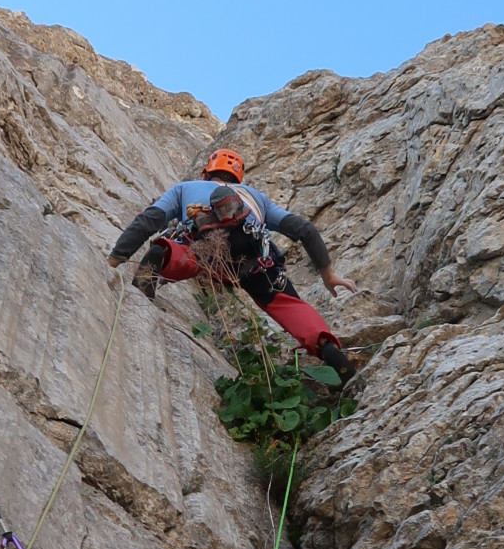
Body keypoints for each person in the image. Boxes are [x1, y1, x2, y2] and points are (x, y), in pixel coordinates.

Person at [108, 147, 358, 380]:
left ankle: (164, 257)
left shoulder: (185, 188)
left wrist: (114, 259)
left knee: (188, 254)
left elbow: (149, 220)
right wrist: (329, 276)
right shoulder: (256, 198)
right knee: (288, 304)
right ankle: (325, 344)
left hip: (207, 249)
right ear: (237, 180)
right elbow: (305, 229)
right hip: (255, 261)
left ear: (206, 174)